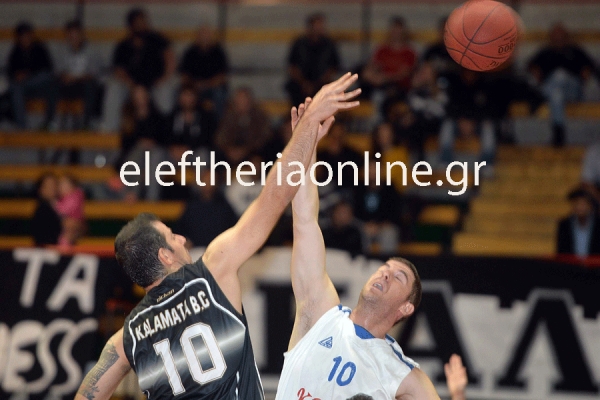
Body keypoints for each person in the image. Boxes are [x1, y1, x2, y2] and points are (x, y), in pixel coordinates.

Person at [74, 73, 361, 400]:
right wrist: (308, 124)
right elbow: (275, 194)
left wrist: (304, 137)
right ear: (164, 255)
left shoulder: (127, 337)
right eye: (172, 236)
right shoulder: (211, 272)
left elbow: (86, 395)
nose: (182, 238)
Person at [275, 98, 439, 399]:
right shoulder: (321, 311)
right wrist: (306, 143)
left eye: (398, 277)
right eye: (385, 268)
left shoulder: (404, 375)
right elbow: (306, 222)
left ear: (405, 308)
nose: (385, 274)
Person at [100, 8, 177, 132]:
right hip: (131, 86)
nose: (141, 25)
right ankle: (110, 129)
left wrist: (163, 79)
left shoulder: (158, 39)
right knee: (113, 87)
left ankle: (166, 130)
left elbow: (171, 60)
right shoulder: (123, 45)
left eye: (143, 21)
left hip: (156, 83)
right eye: (138, 22)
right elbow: (119, 71)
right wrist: (133, 86)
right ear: (131, 25)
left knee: (166, 89)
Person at [528, 23, 596, 146]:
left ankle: (539, 97)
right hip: (555, 94)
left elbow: (592, 67)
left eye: (561, 35)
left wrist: (585, 72)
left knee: (560, 76)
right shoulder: (545, 53)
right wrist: (535, 72)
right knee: (556, 94)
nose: (558, 38)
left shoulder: (575, 51)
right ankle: (558, 131)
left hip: (572, 91)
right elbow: (529, 68)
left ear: (566, 37)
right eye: (555, 35)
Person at [7, 22, 57, 129]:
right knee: (15, 88)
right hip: (24, 87)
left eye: (27, 35)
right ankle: (21, 127)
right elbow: (10, 71)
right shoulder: (16, 51)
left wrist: (28, 74)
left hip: (40, 84)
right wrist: (18, 76)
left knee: (46, 77)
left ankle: (49, 123)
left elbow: (48, 69)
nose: (25, 39)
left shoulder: (39, 48)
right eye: (23, 36)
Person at [285, 13, 341, 106]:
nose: (318, 29)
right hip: (300, 85)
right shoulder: (299, 43)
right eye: (316, 26)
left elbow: (334, 67)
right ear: (310, 27)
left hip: (322, 84)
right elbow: (292, 66)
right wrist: (304, 83)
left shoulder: (329, 44)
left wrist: (317, 84)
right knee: (293, 88)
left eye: (320, 26)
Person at [57, 19, 101, 129]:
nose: (73, 38)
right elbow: (58, 71)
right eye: (70, 35)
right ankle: (54, 122)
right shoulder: (62, 50)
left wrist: (75, 78)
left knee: (91, 87)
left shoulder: (91, 51)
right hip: (67, 84)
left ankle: (87, 122)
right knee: (52, 86)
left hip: (83, 84)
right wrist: (64, 76)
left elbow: (93, 74)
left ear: (81, 35)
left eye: (75, 35)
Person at [179, 26, 229, 117]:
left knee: (219, 94)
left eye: (206, 35)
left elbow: (222, 76)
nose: (204, 38)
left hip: (213, 87)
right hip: (194, 87)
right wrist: (194, 85)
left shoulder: (218, 52)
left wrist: (207, 84)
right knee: (180, 93)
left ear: (211, 36)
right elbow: (184, 75)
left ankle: (218, 122)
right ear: (197, 37)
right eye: (202, 35)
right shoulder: (189, 52)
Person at [556, 188, 600, 257]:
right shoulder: (565, 225)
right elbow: (561, 250)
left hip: (594, 263)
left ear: (590, 205)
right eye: (577, 203)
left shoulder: (598, 224)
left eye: (583, 204)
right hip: (570, 263)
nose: (580, 207)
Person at [31, 173, 61, 246]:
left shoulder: (64, 207)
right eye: (48, 186)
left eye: (54, 185)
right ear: (40, 190)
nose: (52, 189)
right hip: (47, 250)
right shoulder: (42, 212)